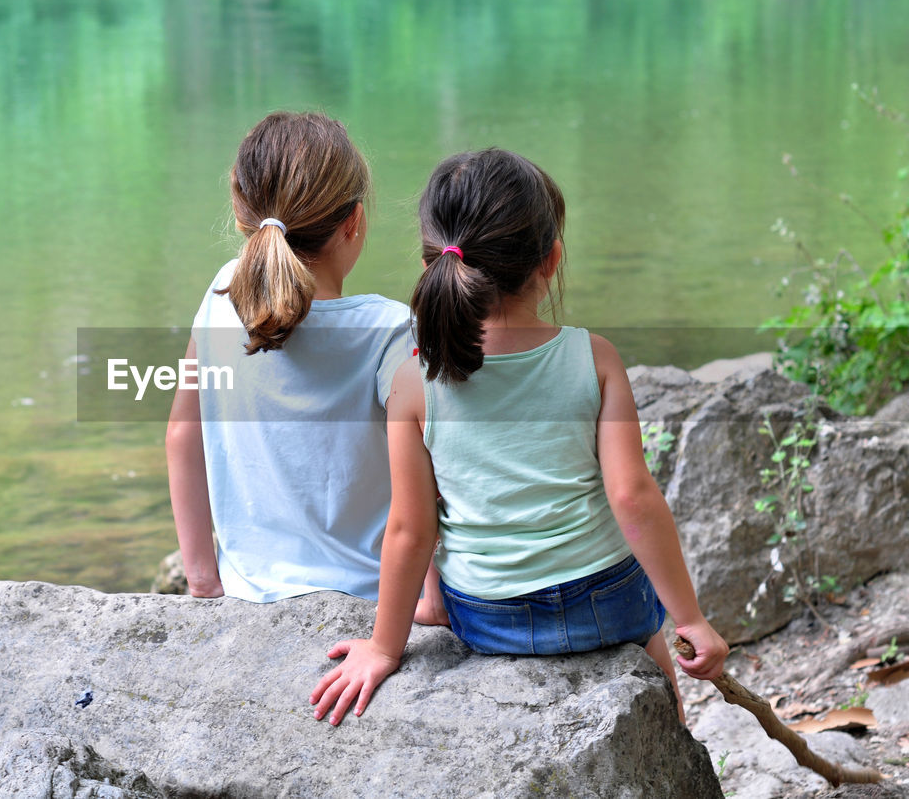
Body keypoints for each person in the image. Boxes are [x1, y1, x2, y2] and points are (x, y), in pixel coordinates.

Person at [310, 148, 728, 726]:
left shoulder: (413, 382)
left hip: (489, 616)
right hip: (609, 601)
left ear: (436, 262)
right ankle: (667, 728)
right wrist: (690, 622)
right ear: (550, 260)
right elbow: (632, 498)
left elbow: (410, 528)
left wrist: (383, 649)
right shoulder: (594, 358)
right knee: (652, 651)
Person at [165, 111, 416, 603]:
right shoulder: (390, 330)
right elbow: (431, 474)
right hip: (370, 598)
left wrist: (202, 580)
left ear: (243, 218)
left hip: (247, 594)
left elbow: (182, 433)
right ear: (354, 222)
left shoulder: (222, 294)